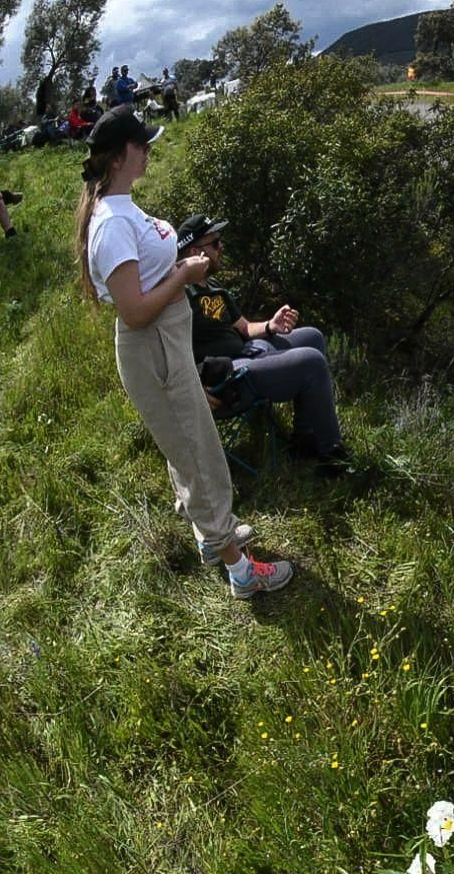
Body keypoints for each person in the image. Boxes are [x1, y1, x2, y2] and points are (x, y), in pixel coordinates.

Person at [75, 106, 292, 598]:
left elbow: (148, 278)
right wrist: (184, 275)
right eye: (141, 144)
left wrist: (181, 265)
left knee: (191, 447)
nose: (149, 149)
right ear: (117, 158)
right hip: (153, 348)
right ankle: (241, 571)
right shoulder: (109, 225)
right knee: (198, 453)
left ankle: (213, 536)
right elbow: (133, 312)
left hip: (168, 343)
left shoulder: (124, 208)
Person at [176, 214, 351, 475]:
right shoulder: (180, 294)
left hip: (247, 352)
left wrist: (271, 325)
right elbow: (167, 350)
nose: (222, 247)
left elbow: (244, 328)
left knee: (312, 336)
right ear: (194, 251)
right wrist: (193, 386)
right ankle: (332, 457)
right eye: (215, 243)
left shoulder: (212, 286)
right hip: (226, 378)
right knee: (311, 362)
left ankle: (305, 438)